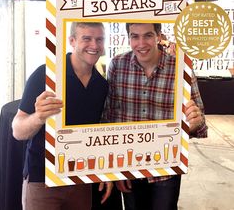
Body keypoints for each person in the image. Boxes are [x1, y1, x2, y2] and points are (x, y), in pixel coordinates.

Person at [103, 22, 208, 210]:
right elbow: (109, 118)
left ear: (159, 36)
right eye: (135, 36)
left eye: (148, 35)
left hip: (166, 170)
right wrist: (113, 169)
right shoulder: (118, 65)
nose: (141, 43)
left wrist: (193, 121)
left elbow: (200, 124)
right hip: (128, 167)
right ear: (128, 38)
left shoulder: (181, 69)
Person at [12, 22, 113, 210]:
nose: (94, 45)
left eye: (99, 39)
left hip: (80, 178)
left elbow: (99, 132)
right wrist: (39, 117)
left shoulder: (101, 85)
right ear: (72, 41)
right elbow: (17, 130)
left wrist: (105, 171)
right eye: (86, 38)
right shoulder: (46, 74)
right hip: (42, 180)